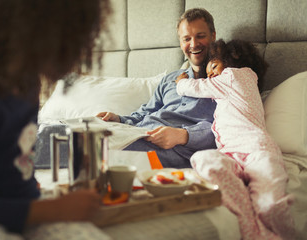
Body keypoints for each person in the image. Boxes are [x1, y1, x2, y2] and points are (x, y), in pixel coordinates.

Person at [0, 0, 111, 237]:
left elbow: (17, 163)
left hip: (22, 206)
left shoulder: (28, 84)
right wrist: (55, 209)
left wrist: (46, 201)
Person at [175, 39, 294, 240]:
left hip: (255, 148)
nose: (210, 73)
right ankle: (254, 228)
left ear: (233, 59)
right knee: (204, 160)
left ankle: (273, 233)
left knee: (269, 204)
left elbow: (196, 87)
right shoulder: (226, 91)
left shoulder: (238, 75)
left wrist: (180, 83)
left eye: (213, 65)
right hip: (229, 154)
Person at [97, 8, 217, 168]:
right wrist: (119, 119)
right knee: (65, 131)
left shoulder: (226, 81)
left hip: (172, 150)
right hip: (138, 134)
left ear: (213, 36)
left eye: (200, 36)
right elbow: (145, 112)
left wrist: (184, 135)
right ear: (181, 43)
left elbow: (232, 127)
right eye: (186, 39)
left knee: (88, 147)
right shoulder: (170, 79)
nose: (193, 44)